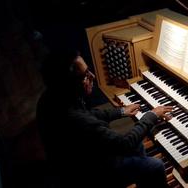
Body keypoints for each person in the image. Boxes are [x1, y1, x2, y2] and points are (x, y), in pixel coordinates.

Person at [36, 49, 173, 188]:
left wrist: (120, 111)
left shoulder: (53, 97)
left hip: (77, 156)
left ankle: (144, 178)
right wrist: (151, 115)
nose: (93, 76)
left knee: (138, 144)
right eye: (85, 75)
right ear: (67, 83)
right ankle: (146, 174)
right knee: (155, 166)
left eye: (89, 70)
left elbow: (88, 114)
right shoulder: (75, 119)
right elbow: (124, 144)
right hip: (87, 173)